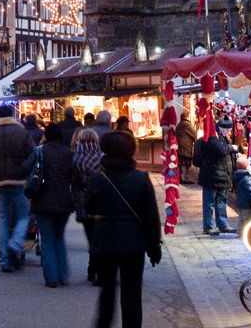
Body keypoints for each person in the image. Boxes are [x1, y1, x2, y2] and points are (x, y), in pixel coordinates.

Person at [87, 130, 162, 328]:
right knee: (132, 293)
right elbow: (151, 215)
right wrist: (155, 245)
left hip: (105, 241)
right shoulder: (141, 178)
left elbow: (88, 207)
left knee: (107, 293)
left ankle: (103, 325)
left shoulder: (97, 178)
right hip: (133, 242)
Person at [0, 103, 36, 272]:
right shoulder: (21, 131)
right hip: (17, 180)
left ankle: (5, 260)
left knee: (2, 219)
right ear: (12, 114)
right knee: (23, 215)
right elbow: (31, 155)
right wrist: (24, 171)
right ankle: (16, 243)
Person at [31, 123, 73, 287]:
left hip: (42, 201)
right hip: (64, 201)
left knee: (47, 239)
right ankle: (63, 274)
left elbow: (26, 168)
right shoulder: (68, 153)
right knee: (59, 237)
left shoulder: (39, 152)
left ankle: (51, 278)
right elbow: (74, 175)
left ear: (46, 136)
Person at [71, 126, 103, 285]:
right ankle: (98, 269)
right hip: (102, 201)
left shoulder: (75, 158)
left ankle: (93, 269)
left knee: (91, 236)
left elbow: (73, 180)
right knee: (102, 236)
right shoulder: (103, 157)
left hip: (84, 200)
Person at [199, 117, 239, 235]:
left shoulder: (222, 137)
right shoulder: (212, 137)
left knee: (221, 200)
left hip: (222, 175)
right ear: (219, 126)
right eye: (226, 129)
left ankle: (222, 224)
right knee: (209, 201)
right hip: (212, 175)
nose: (228, 132)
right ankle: (208, 226)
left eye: (229, 130)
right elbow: (221, 150)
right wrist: (232, 148)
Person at [233, 154, 251, 229]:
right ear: (246, 167)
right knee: (247, 219)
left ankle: (240, 232)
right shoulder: (247, 177)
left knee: (241, 218)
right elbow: (249, 190)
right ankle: (247, 233)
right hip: (246, 203)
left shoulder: (239, 175)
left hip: (240, 202)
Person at [175, 111, 197, 185]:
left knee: (179, 163)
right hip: (185, 146)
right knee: (185, 163)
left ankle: (178, 178)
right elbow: (195, 135)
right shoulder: (187, 124)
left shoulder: (179, 124)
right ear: (187, 117)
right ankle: (185, 178)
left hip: (179, 146)